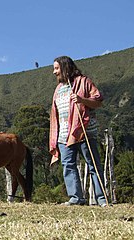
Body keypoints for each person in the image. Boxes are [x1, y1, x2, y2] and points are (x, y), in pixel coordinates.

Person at [49, 56, 107, 207]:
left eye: (57, 68)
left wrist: (82, 100)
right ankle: (76, 198)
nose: (54, 72)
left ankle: (101, 199)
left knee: (93, 164)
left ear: (65, 67)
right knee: (68, 165)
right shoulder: (58, 89)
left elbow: (98, 102)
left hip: (84, 132)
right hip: (64, 135)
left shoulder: (84, 82)